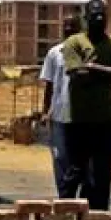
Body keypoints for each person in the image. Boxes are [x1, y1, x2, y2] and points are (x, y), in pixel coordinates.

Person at [60, 0, 111, 209]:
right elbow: (76, 75)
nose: (97, 22)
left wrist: (91, 66)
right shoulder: (74, 42)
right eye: (93, 18)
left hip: (108, 120)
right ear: (86, 18)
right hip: (80, 120)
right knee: (76, 172)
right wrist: (108, 72)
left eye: (101, 18)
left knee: (102, 175)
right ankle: (65, 214)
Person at [38, 15, 82, 196]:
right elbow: (49, 85)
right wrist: (44, 111)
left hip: (82, 116)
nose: (69, 29)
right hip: (59, 115)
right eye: (66, 26)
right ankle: (64, 198)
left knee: (79, 160)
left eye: (73, 25)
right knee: (60, 158)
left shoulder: (86, 52)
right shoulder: (54, 53)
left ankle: (76, 196)